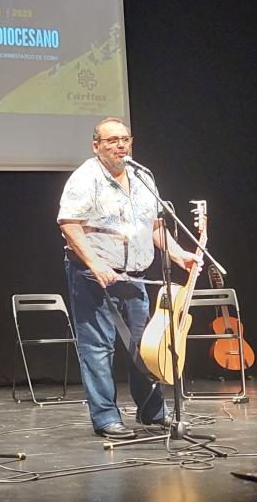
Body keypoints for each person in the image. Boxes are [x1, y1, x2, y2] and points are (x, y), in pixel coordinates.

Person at [57, 117, 202, 439]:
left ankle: (152, 413)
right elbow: (69, 224)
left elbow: (154, 225)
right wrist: (95, 264)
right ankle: (107, 418)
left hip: (135, 276)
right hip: (95, 276)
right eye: (112, 140)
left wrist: (178, 254)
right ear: (97, 146)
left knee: (145, 346)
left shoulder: (142, 176)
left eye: (125, 139)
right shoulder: (86, 178)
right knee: (98, 348)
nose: (120, 145)